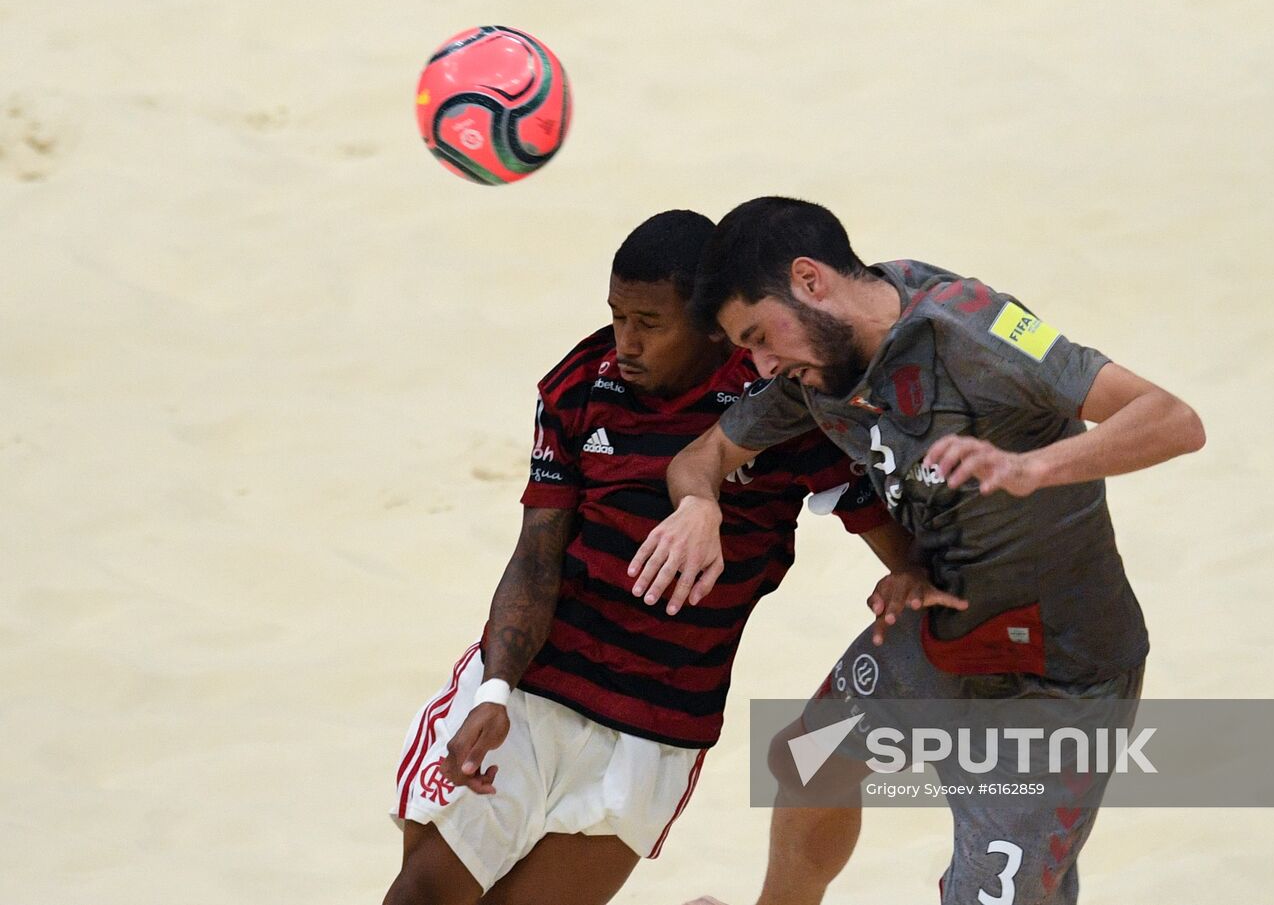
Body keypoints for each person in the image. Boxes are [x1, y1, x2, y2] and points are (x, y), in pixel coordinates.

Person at [629, 196, 1206, 905]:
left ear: (810, 281)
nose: (762, 362)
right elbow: (705, 454)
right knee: (808, 761)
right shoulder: (817, 369)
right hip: (939, 632)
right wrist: (698, 504)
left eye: (759, 335)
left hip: (1058, 674)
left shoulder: (973, 329)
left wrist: (1034, 467)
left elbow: (1174, 419)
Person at [383, 209, 939, 905]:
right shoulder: (580, 385)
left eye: (649, 322)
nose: (626, 343)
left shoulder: (779, 403)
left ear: (711, 325)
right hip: (534, 692)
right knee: (420, 897)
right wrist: (495, 689)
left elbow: (886, 532)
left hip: (658, 727)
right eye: (617, 316)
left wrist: (910, 571)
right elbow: (535, 555)